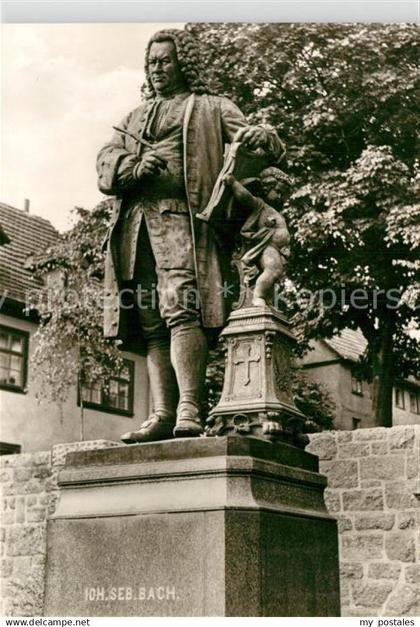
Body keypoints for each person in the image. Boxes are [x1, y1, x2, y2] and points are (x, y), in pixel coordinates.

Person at [96, 29, 284, 443]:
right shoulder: (133, 117)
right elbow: (105, 161)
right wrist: (133, 166)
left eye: (165, 61)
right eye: (152, 63)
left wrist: (263, 136)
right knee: (149, 320)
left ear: (184, 63)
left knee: (182, 308)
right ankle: (162, 412)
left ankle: (189, 408)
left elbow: (258, 143)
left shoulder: (212, 107)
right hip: (136, 229)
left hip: (184, 223)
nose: (157, 69)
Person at [224, 168, 292, 307]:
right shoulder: (261, 205)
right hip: (266, 246)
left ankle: (265, 298)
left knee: (276, 274)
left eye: (282, 194)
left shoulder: (274, 210)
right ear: (267, 187)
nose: (279, 196)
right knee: (273, 270)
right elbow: (245, 197)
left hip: (277, 249)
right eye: (277, 191)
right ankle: (258, 296)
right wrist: (233, 183)